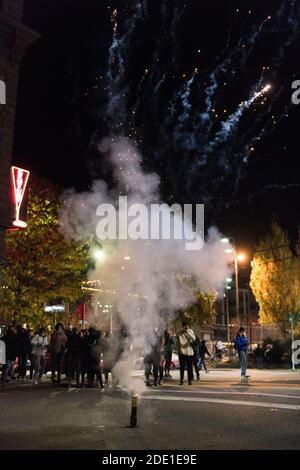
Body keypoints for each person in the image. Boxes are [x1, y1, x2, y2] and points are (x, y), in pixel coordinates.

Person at [176, 321, 196, 385]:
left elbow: (194, 338)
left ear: (188, 326)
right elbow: (177, 342)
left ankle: (190, 380)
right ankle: (181, 380)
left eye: (186, 326)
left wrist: (187, 332)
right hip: (181, 352)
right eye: (184, 326)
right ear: (182, 326)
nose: (185, 327)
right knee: (182, 367)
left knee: (189, 367)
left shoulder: (190, 331)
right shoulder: (179, 332)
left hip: (189, 352)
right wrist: (178, 350)